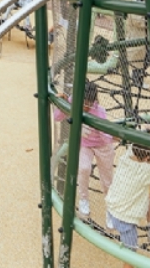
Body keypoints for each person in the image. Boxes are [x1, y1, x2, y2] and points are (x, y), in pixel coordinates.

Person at [53, 82, 116, 218]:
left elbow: (106, 137)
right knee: (83, 168)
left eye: (89, 104)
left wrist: (115, 137)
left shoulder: (99, 111)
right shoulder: (73, 101)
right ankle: (83, 200)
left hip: (102, 146)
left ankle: (111, 209)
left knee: (107, 179)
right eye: (83, 103)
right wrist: (63, 104)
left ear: (94, 101)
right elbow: (57, 117)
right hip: (86, 145)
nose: (85, 107)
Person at [106, 139, 150, 254]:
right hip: (125, 219)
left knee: (149, 187)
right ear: (147, 158)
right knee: (130, 253)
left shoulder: (126, 157)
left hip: (112, 208)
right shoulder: (144, 170)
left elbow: (133, 145)